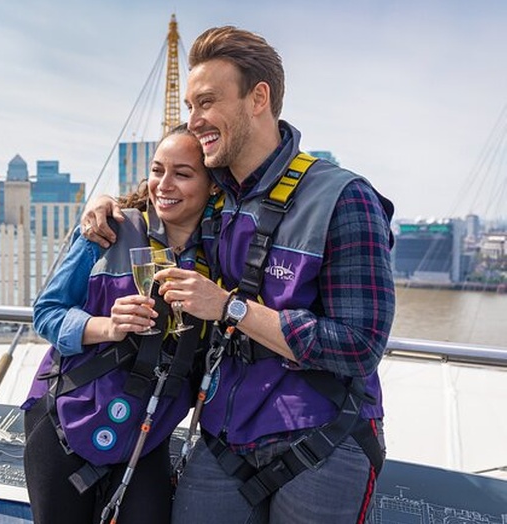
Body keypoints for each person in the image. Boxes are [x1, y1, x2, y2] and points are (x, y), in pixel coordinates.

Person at [80, 26, 395, 524]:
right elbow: (163, 197)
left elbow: (358, 346)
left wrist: (230, 308)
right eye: (188, 106)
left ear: (259, 98)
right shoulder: (218, 196)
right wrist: (105, 204)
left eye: (206, 102)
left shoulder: (344, 198)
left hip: (323, 434)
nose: (194, 120)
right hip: (227, 432)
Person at [21, 124, 220, 524]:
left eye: (182, 174)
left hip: (145, 436)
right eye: (157, 170)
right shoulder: (109, 230)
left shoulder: (223, 254)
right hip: (65, 416)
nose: (164, 184)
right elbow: (47, 312)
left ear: (213, 186)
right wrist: (106, 326)